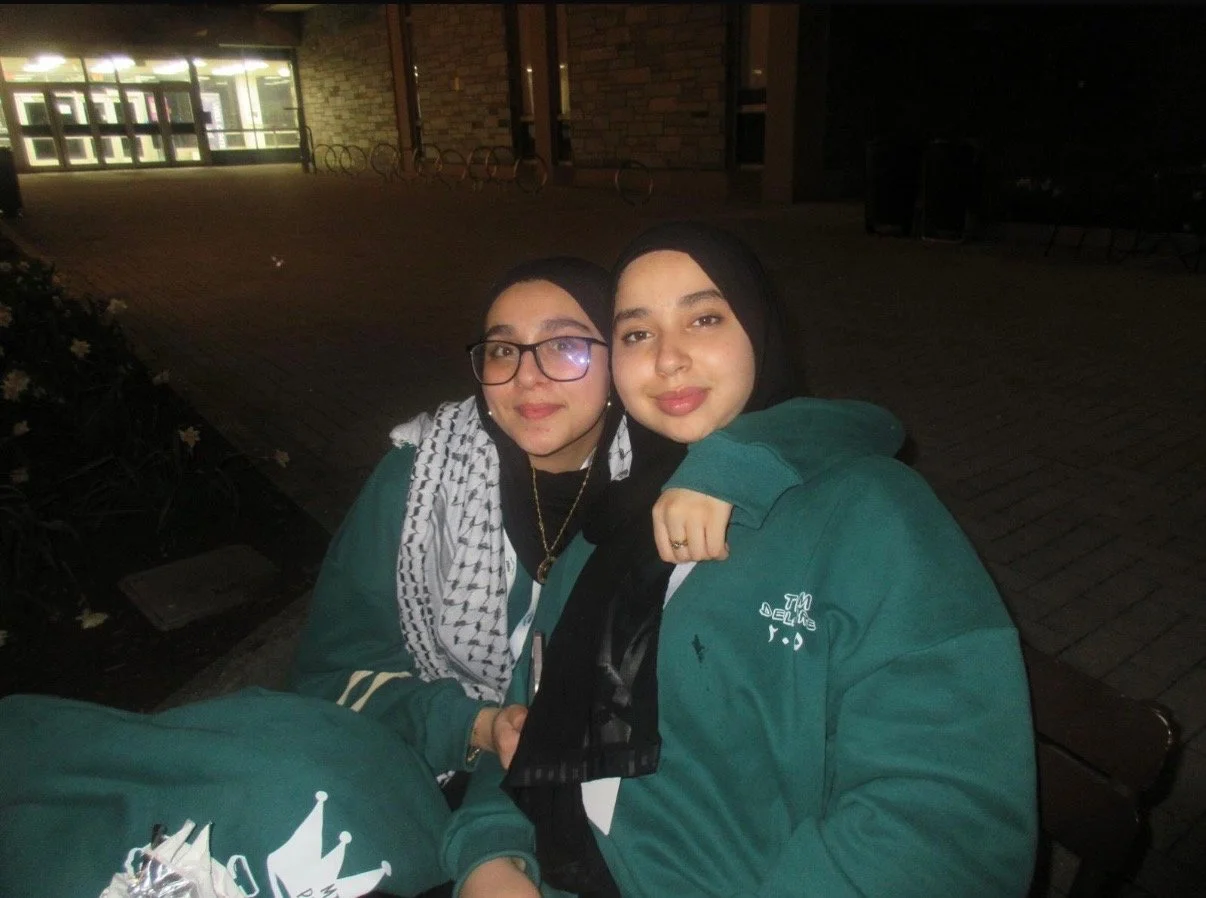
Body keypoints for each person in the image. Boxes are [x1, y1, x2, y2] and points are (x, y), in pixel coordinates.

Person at [0, 255, 766, 898]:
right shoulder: (418, 483)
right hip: (421, 769)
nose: (526, 378)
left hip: (591, 794)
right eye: (503, 350)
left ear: (619, 363)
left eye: (565, 347)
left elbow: (814, 429)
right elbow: (332, 673)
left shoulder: (673, 470)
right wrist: (469, 724)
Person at [443, 222, 1039, 898]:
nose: (667, 359)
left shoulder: (869, 514)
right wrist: (490, 854)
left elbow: (953, 824)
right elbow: (528, 717)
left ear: (759, 329)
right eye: (637, 333)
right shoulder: (605, 526)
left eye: (703, 318)